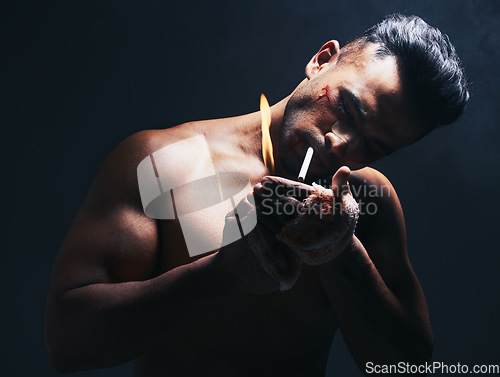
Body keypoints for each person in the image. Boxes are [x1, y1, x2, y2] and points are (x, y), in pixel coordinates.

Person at [45, 14, 469, 376]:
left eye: (374, 147)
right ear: (322, 62)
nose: (342, 144)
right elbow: (68, 343)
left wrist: (341, 253)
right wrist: (221, 276)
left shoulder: (366, 202)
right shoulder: (166, 162)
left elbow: (407, 367)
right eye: (347, 108)